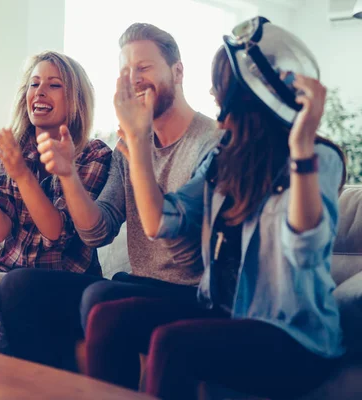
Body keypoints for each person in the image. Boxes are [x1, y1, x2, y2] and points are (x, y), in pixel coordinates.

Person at [83, 16, 346, 399]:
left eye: (220, 84)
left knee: (172, 344)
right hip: (225, 313)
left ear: (246, 92)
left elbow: (304, 250)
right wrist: (138, 142)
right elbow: (161, 221)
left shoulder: (318, 157)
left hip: (293, 335)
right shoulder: (226, 156)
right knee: (108, 318)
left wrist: (301, 149)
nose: (211, 91)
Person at [0, 23, 223, 371]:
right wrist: (68, 175)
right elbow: (98, 231)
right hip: (140, 285)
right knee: (18, 287)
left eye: (144, 68)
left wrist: (139, 152)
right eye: (126, 71)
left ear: (178, 71)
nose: (134, 79)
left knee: (99, 298)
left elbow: (189, 253)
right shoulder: (129, 144)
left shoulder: (212, 142)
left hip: (194, 292)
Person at [0, 51, 112, 351]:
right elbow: (0, 230)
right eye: (34, 84)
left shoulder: (94, 155)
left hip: (65, 278)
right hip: (13, 268)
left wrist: (23, 176)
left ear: (76, 100)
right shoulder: (12, 149)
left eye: (54, 85)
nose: (40, 91)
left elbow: (56, 234)